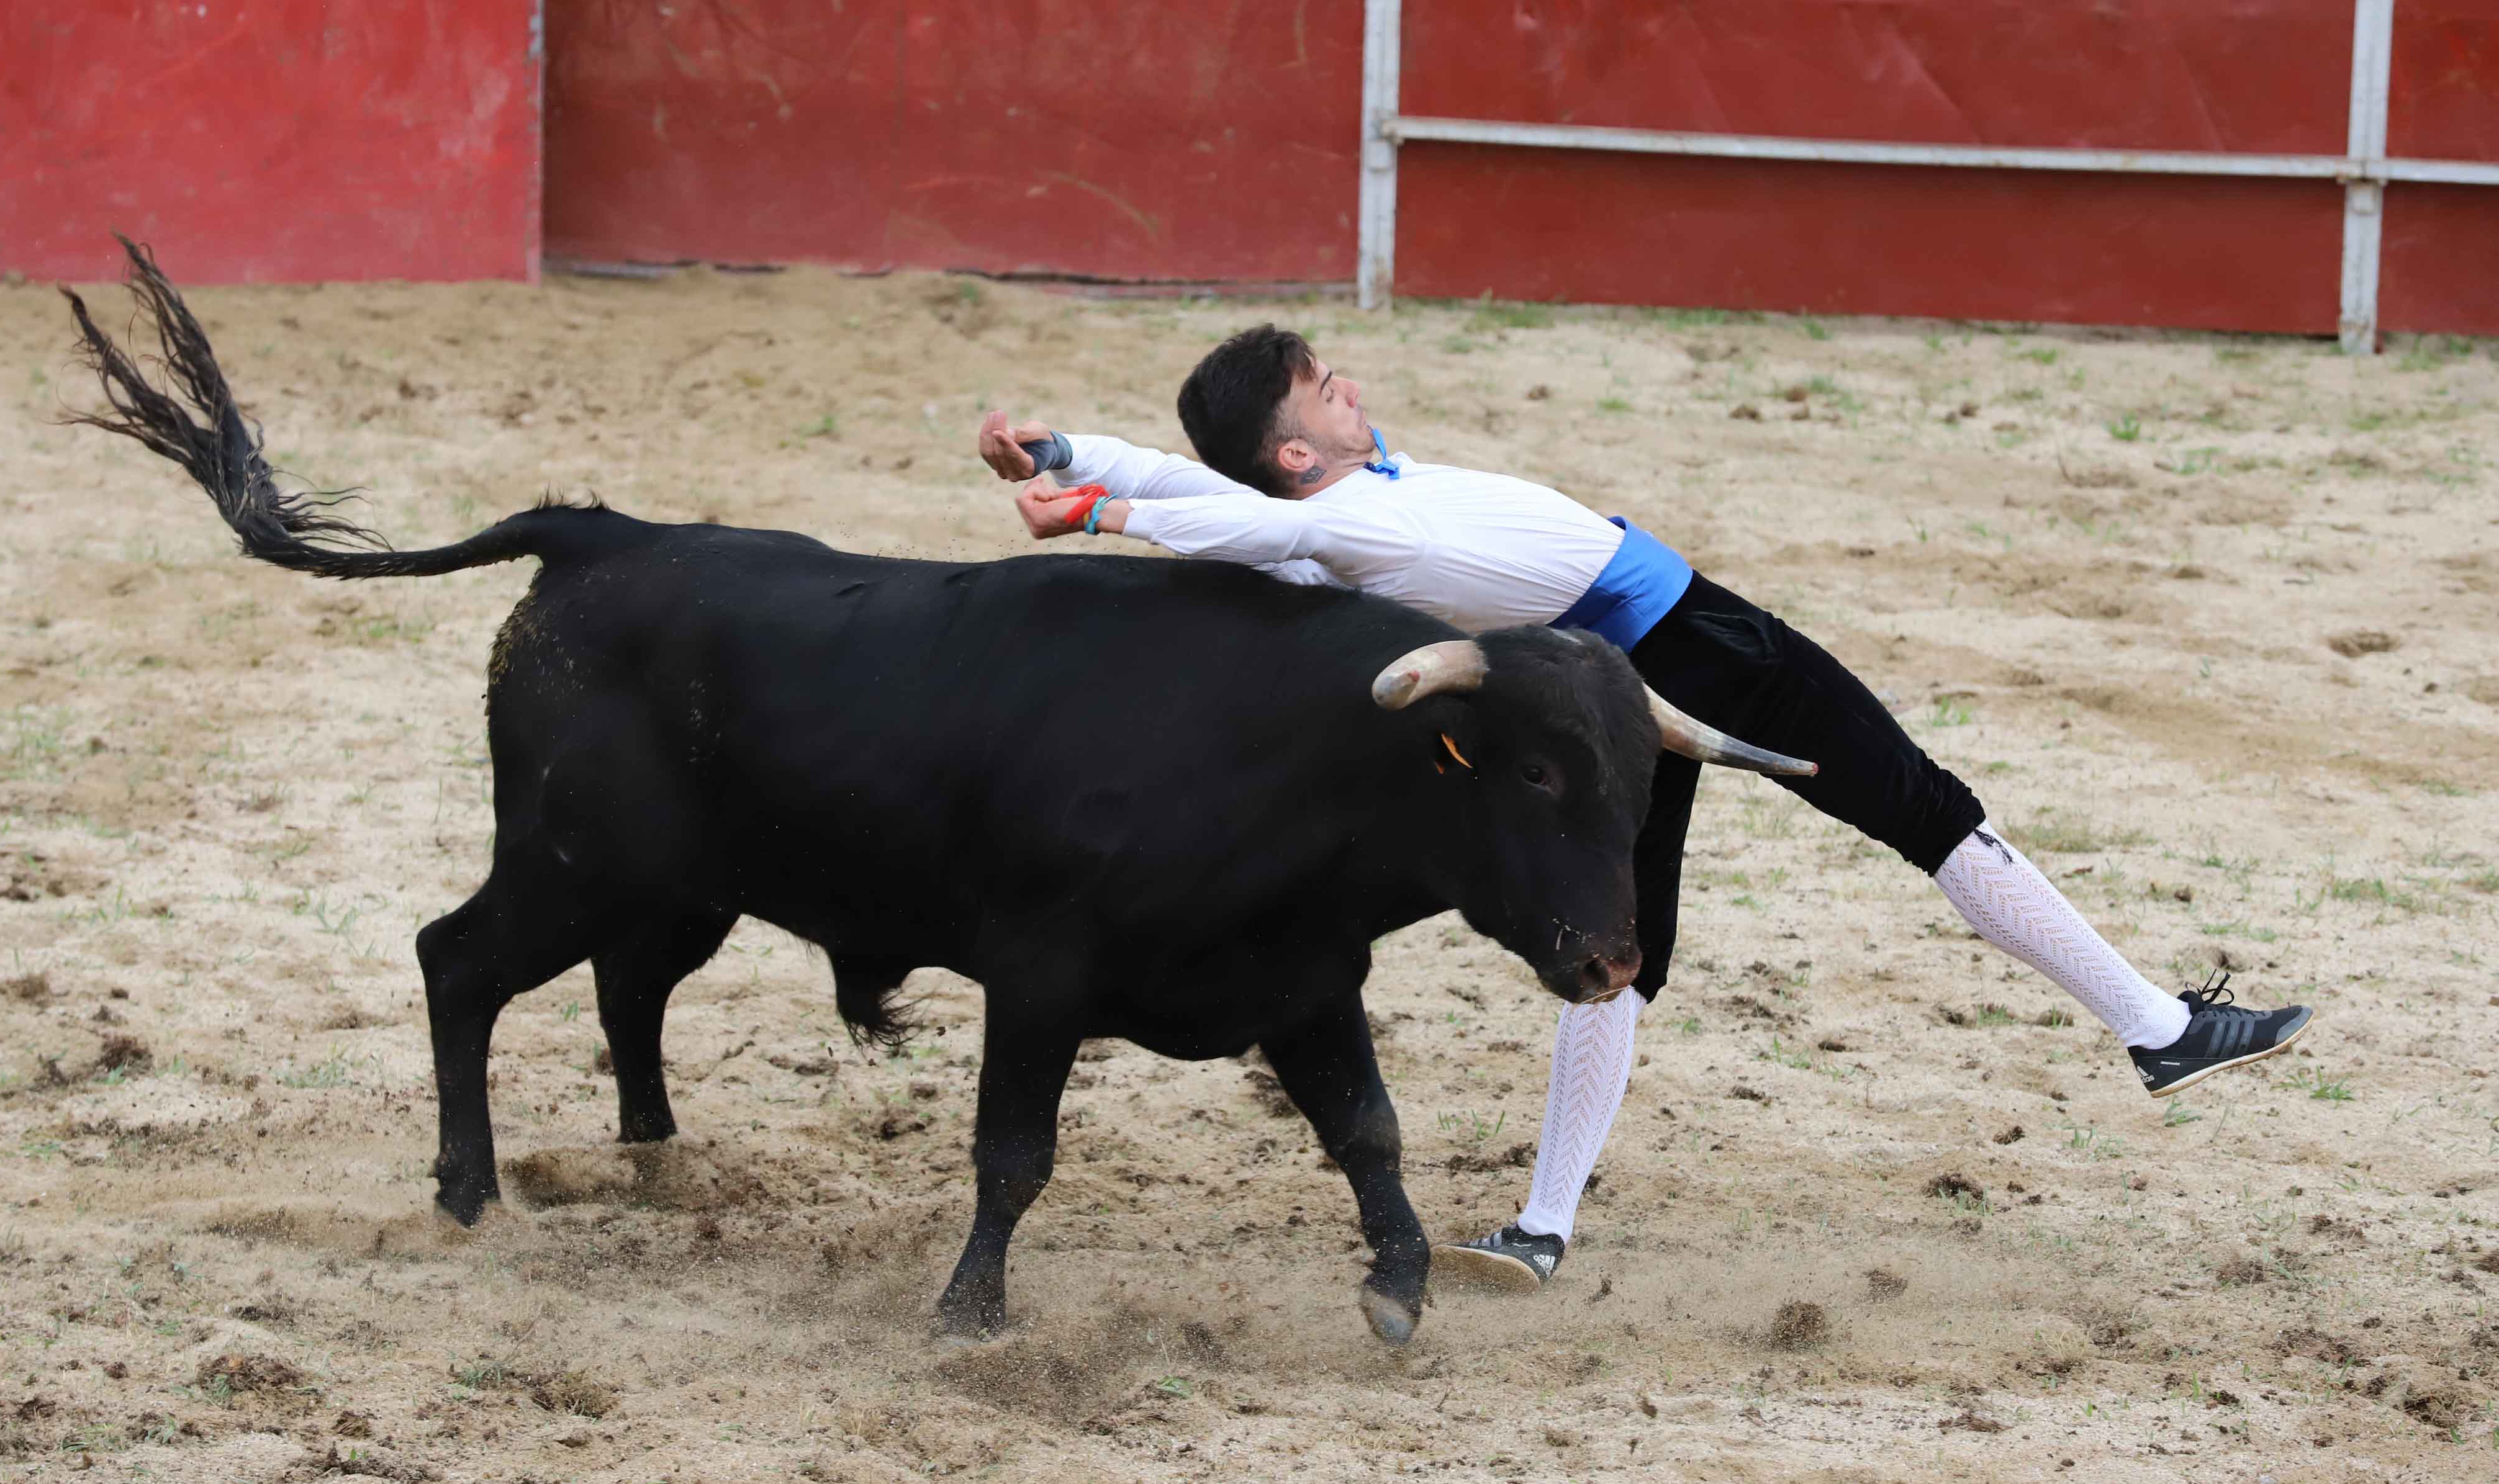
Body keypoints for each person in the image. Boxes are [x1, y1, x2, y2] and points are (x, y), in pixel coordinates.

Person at [974, 325, 2312, 1293]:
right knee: (1927, 810)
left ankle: (1544, 1230)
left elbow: (1209, 491)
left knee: (1620, 936)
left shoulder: (1358, 490)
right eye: (1325, 388)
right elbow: (1242, 529)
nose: (1349, 385)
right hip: (1693, 648)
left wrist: (1078, 455)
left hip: (1624, 666)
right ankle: (2160, 1028)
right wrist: (1094, 512)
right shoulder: (1341, 527)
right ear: (1294, 445)